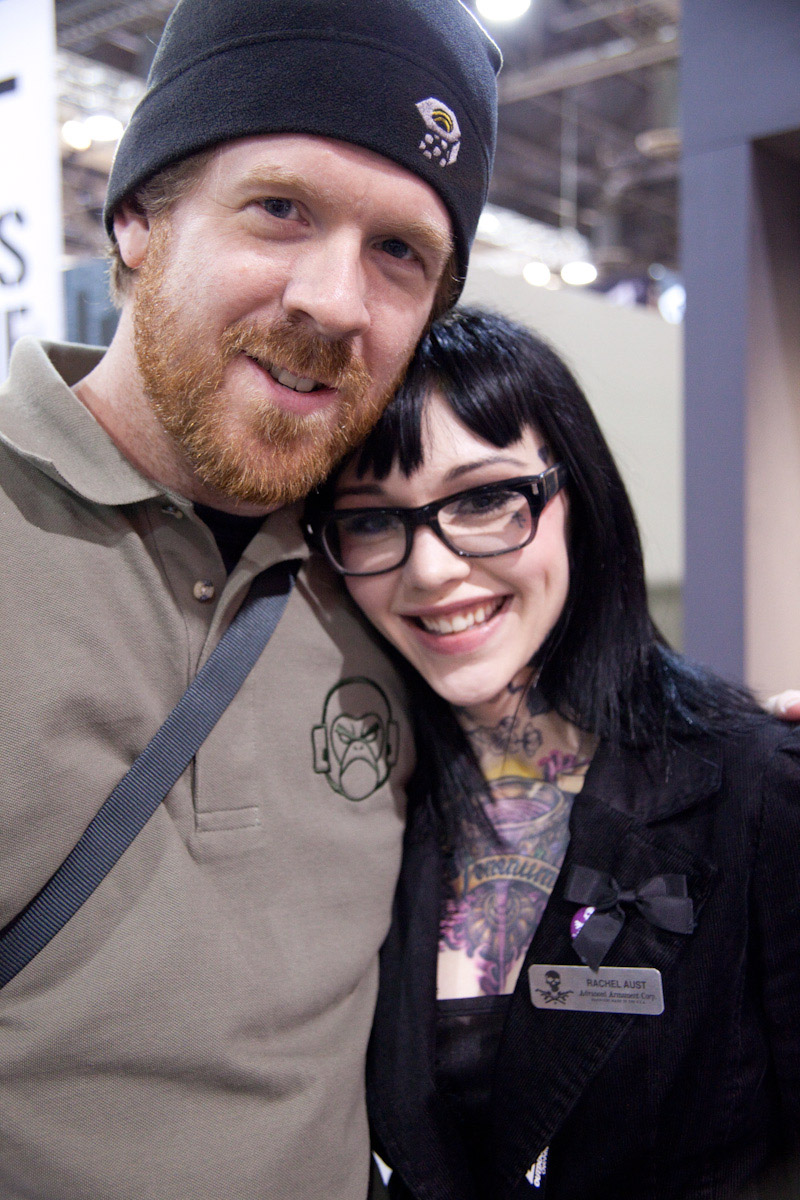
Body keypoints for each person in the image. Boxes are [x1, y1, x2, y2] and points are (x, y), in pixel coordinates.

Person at [0, 3, 501, 1198]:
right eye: (280, 208)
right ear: (138, 217)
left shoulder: (394, 578)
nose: (335, 302)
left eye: (400, 252)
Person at [309, 308, 800, 1199]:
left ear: (579, 500)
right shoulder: (366, 807)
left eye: (483, 499)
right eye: (372, 520)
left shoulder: (756, 791)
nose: (431, 569)